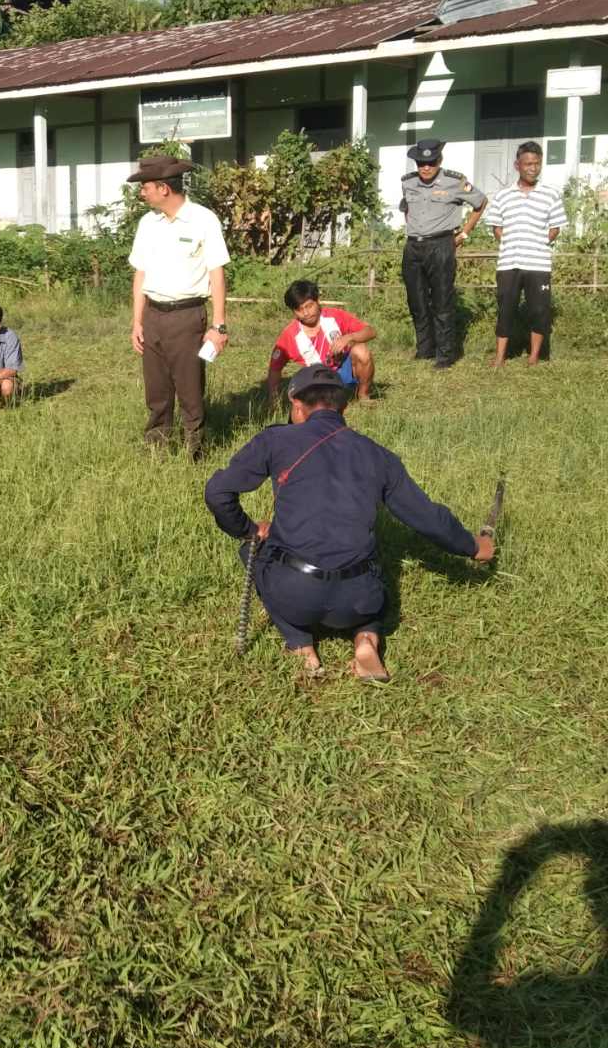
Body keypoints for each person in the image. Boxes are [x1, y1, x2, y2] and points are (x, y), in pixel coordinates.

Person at [204, 363, 494, 682]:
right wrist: (473, 546)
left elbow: (218, 492)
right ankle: (366, 638)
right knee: (376, 571)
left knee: (251, 550)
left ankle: (300, 644)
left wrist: (248, 530)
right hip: (358, 599)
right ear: (344, 407)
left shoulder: (274, 440)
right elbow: (427, 517)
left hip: (296, 593)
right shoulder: (377, 454)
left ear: (296, 406)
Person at [127, 154, 230, 458]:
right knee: (156, 389)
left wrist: (219, 325)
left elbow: (216, 273)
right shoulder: (148, 223)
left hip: (187, 316)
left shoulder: (203, 220)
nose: (142, 193)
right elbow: (140, 274)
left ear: (164, 188)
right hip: (153, 315)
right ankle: (156, 446)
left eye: (145, 187)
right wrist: (137, 321)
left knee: (189, 387)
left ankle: (195, 449)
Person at [399, 138, 487, 368]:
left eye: (431, 162)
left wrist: (464, 234)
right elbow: (407, 209)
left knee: (442, 301)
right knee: (416, 301)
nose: (426, 167)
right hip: (413, 247)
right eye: (421, 163)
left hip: (440, 245)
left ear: (440, 160)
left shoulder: (454, 182)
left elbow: (480, 203)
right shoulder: (408, 183)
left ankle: (446, 354)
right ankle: (424, 349)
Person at [485, 142, 568, 368]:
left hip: (538, 264)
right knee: (506, 309)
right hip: (509, 263)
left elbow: (555, 228)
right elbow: (496, 227)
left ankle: (534, 358)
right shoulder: (503, 196)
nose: (533, 168)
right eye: (528, 164)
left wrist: (538, 243)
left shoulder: (551, 194)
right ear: (517, 165)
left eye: (537, 163)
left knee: (539, 310)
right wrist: (511, 243)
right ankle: (499, 358)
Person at [267, 279, 376, 403]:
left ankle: (363, 395)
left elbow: (371, 331)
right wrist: (273, 400)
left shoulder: (335, 316)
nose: (306, 313)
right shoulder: (289, 335)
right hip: (317, 380)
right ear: (293, 311)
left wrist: (349, 338)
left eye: (309, 306)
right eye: (299, 309)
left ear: (317, 301)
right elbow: (275, 368)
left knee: (361, 351)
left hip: (344, 369)